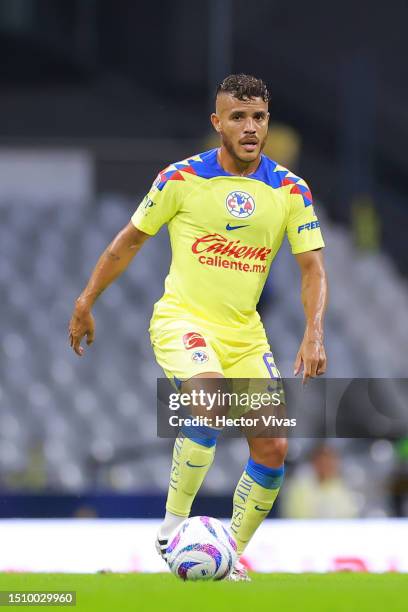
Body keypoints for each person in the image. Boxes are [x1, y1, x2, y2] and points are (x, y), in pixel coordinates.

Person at [69, 74, 328, 581]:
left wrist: (313, 331)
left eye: (258, 117)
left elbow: (313, 268)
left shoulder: (289, 189)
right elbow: (128, 241)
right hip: (183, 320)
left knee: (273, 447)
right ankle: (170, 532)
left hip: (244, 334)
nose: (249, 127)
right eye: (238, 117)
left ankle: (226, 553)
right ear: (218, 124)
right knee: (206, 398)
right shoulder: (181, 179)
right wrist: (85, 301)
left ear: (268, 122)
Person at [282, 445, 358, 519]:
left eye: (330, 461)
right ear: (314, 462)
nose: (326, 465)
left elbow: (350, 515)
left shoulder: (344, 488)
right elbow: (294, 516)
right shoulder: (298, 487)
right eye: (322, 461)